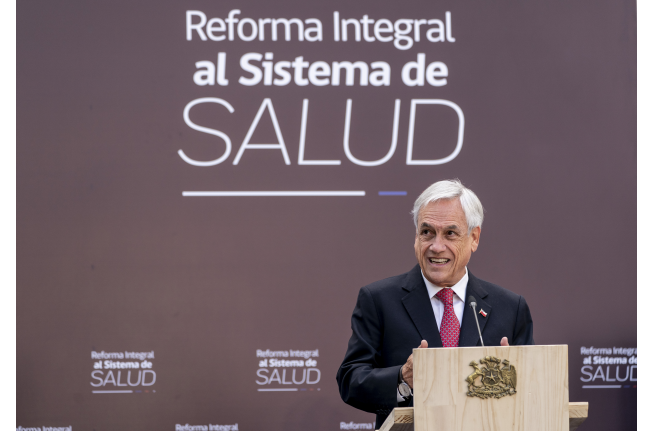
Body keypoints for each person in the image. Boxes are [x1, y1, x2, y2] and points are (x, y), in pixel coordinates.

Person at [336, 179, 534, 427]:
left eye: (450, 233)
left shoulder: (510, 308)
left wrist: (513, 379)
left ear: (474, 238)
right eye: (427, 232)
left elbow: (532, 392)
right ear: (416, 236)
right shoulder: (379, 300)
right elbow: (351, 381)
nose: (436, 247)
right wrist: (402, 379)